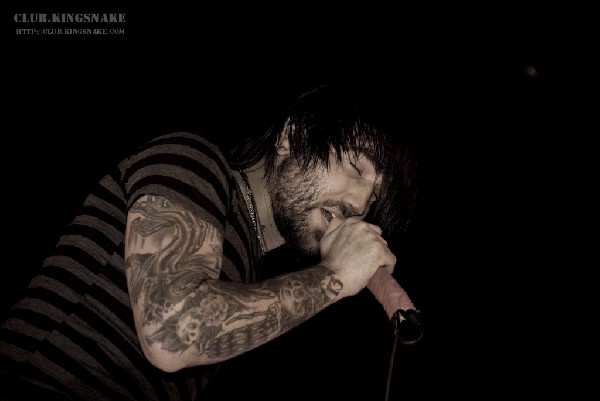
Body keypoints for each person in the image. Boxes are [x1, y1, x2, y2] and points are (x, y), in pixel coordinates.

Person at [0, 83, 421, 400]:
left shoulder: (249, 271)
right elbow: (172, 333)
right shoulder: (193, 162)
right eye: (355, 167)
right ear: (291, 137)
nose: (360, 203)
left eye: (374, 199)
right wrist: (334, 277)